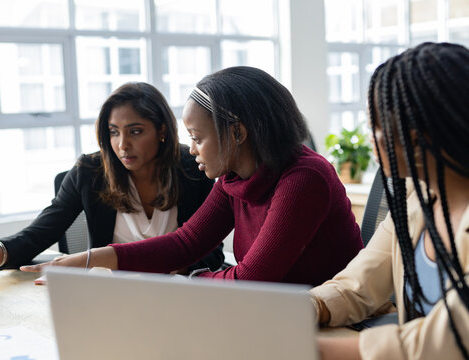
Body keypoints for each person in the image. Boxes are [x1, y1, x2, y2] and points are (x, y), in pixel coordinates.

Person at [22, 66, 363, 285]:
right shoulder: (233, 178)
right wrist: (92, 258)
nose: (192, 149)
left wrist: (188, 282)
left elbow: (250, 279)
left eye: (198, 138)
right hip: (272, 312)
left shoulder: (304, 178)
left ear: (238, 133)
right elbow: (186, 242)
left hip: (328, 322)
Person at [0, 82, 223, 273]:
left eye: (135, 131)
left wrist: (171, 265)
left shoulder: (193, 168)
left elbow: (211, 252)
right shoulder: (90, 172)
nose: (122, 145)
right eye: (114, 131)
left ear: (162, 130)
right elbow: (35, 237)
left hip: (176, 294)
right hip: (108, 296)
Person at [311, 42, 469, 359]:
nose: (370, 138)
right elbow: (358, 285)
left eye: (376, 126)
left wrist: (303, 345)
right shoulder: (414, 199)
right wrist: (306, 308)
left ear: (416, 137)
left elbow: (447, 338)